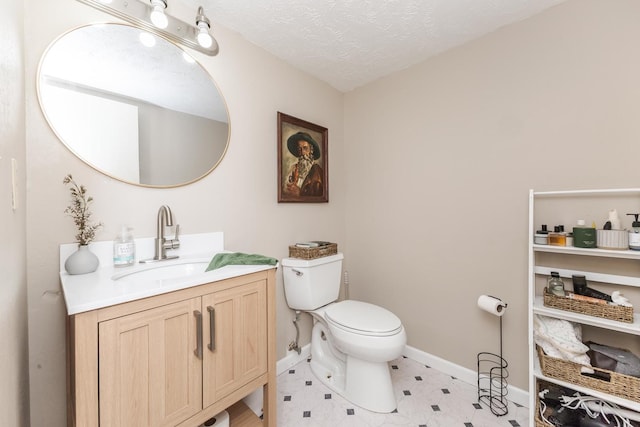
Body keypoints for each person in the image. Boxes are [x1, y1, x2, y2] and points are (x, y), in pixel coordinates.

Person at [283, 131, 323, 198]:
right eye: (299, 149)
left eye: (305, 148)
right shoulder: (294, 169)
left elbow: (318, 196)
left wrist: (300, 193)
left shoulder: (318, 171)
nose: (302, 152)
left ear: (311, 150)